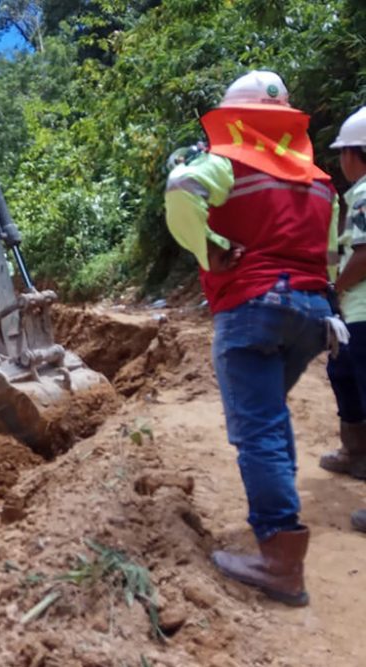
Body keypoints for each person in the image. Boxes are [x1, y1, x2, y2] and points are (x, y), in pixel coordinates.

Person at [164, 70, 340, 606]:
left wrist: (209, 244)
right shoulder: (319, 179)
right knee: (270, 418)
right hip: (312, 312)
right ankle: (280, 535)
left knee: (258, 429)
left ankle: (280, 560)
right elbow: (329, 254)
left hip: (253, 306)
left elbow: (180, 190)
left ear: (234, 120)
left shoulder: (227, 161)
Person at [325, 106, 366, 532]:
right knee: (341, 372)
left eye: (344, 153)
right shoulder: (356, 196)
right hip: (354, 316)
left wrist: (337, 286)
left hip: (362, 312)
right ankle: (355, 453)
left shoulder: (365, 195)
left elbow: (364, 255)